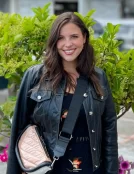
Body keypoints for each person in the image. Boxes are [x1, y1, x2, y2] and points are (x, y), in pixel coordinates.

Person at [7, 12, 118, 174]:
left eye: (74, 36)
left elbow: (109, 131)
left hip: (90, 166)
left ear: (84, 38)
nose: (68, 44)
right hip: (50, 167)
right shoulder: (35, 76)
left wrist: (111, 171)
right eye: (60, 38)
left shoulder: (99, 77)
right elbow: (19, 129)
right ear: (54, 41)